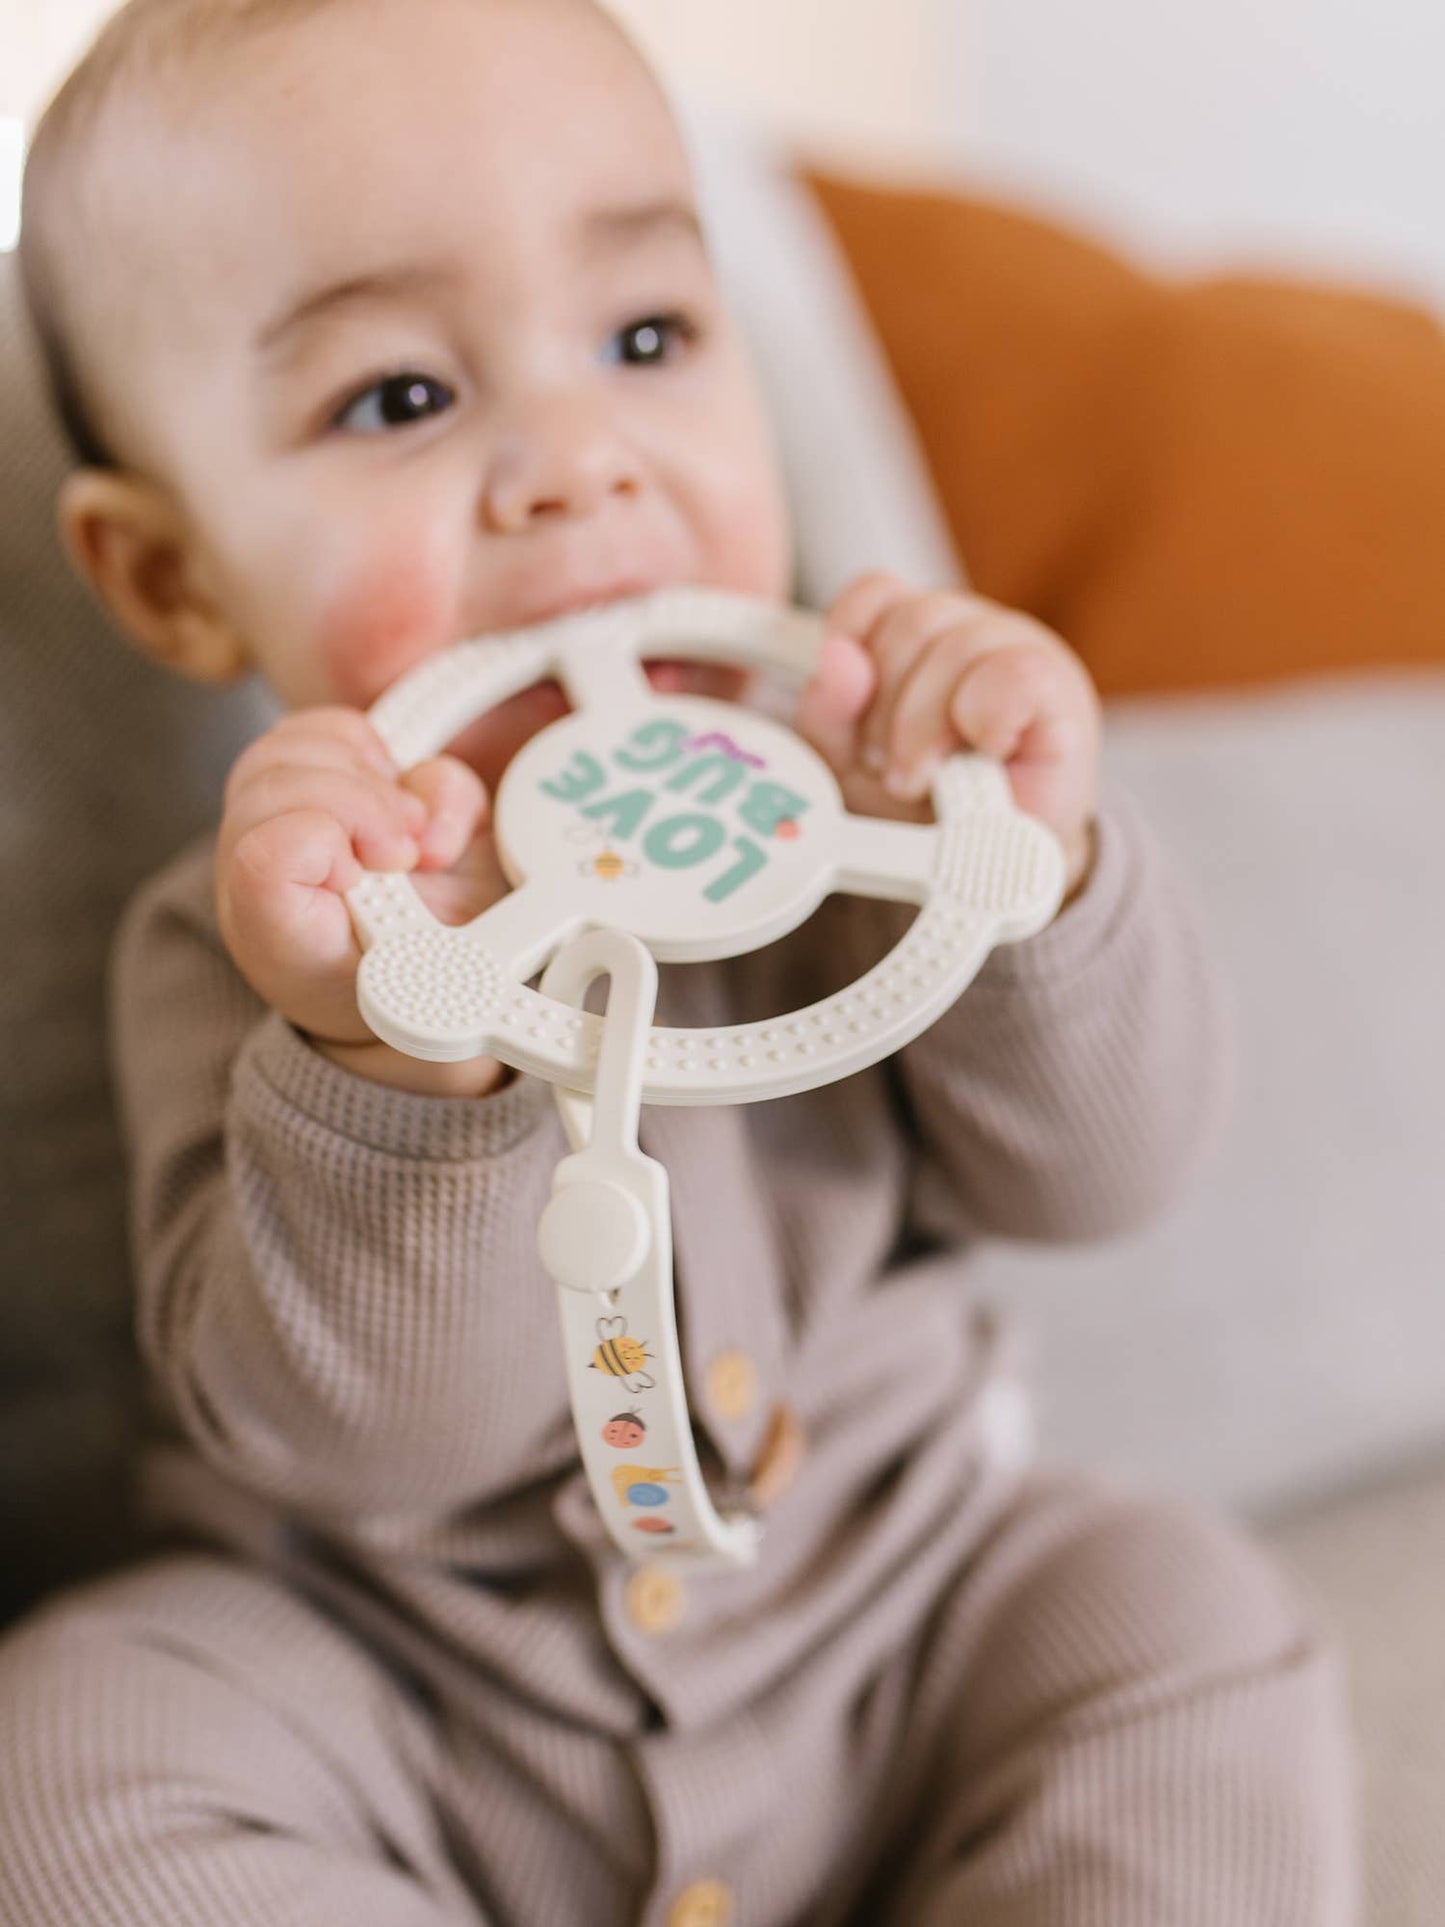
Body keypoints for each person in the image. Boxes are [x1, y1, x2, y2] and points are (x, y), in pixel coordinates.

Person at [0, 0, 1356, 1921]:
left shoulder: (867, 808)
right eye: (400, 398)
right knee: (59, 1764)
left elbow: (1108, 1171)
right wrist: (399, 1050)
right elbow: (375, 1441)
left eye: (645, 340)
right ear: (173, 576)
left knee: (1184, 1626)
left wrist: (1023, 863)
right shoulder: (242, 947)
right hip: (414, 1701)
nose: (578, 462)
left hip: (893, 1624)